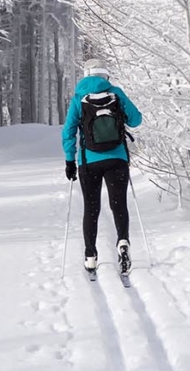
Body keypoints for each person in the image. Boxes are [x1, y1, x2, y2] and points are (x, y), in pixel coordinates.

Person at [61, 58, 143, 275]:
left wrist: (70, 160)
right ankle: (123, 242)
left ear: (87, 74)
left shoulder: (79, 97)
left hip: (89, 161)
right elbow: (136, 120)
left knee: (91, 207)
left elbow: (68, 130)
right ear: (105, 74)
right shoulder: (116, 93)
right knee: (119, 204)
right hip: (117, 159)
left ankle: (90, 255)